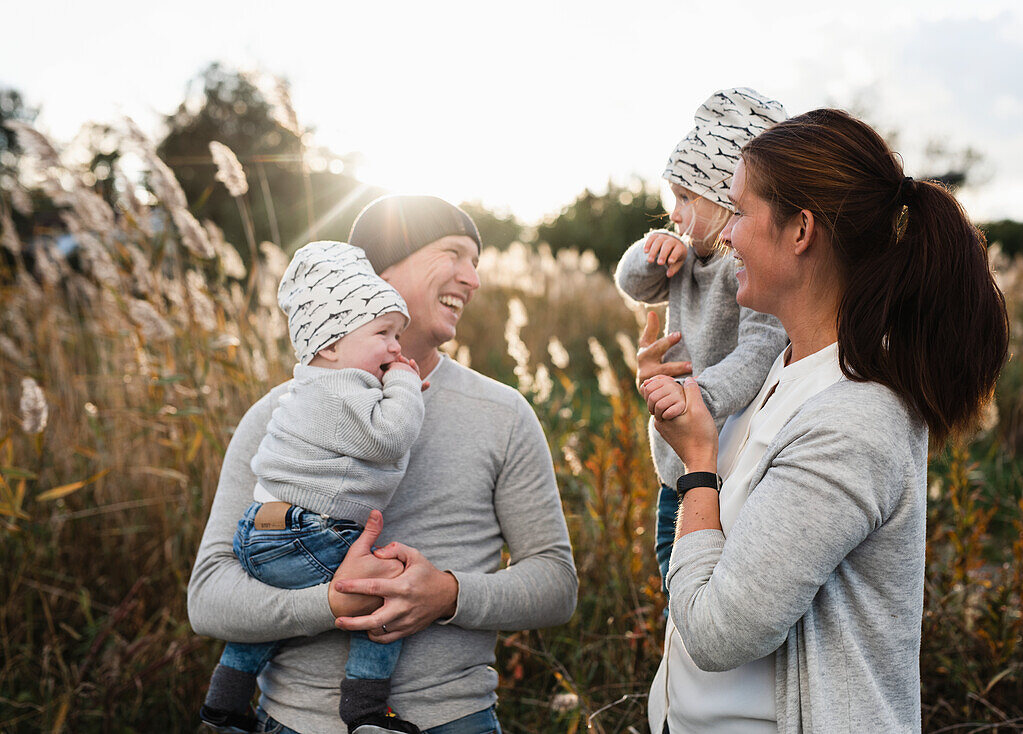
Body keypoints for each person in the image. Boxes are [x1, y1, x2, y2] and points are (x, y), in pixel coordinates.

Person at [640, 109, 1009, 732]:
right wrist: (677, 397)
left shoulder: (856, 418)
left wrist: (701, 469)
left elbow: (719, 632)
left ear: (800, 231)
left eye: (739, 211)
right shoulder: (779, 370)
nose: (725, 237)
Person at [188, 195, 578, 734]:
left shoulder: (502, 414)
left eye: (477, 263)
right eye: (454, 254)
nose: (473, 279)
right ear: (379, 271)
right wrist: (329, 603)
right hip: (292, 723)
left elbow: (556, 584)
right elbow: (207, 598)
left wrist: (447, 595)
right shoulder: (276, 415)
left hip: (452, 720)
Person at [200, 240, 427, 734]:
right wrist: (405, 386)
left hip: (259, 532)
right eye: (384, 333)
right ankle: (365, 708)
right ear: (330, 345)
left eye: (398, 336)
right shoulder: (345, 386)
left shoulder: (308, 385)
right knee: (386, 586)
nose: (396, 348)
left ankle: (225, 700)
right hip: (309, 530)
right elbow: (390, 436)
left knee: (268, 607)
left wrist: (391, 388)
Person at [613, 88, 788, 591]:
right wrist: (652, 252)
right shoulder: (684, 256)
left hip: (725, 455)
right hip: (676, 458)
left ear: (728, 201)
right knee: (674, 578)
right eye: (673, 199)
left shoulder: (746, 267)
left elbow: (761, 347)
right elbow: (632, 284)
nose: (675, 213)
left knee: (702, 582)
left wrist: (699, 397)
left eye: (687, 199)